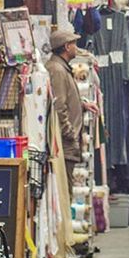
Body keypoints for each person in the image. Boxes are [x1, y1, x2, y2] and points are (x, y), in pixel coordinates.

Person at [45, 30, 97, 196]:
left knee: (66, 189)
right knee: (64, 191)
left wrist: (81, 105)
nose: (76, 47)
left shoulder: (60, 68)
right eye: (74, 43)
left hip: (66, 142)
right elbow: (59, 106)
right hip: (64, 144)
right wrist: (70, 134)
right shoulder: (58, 70)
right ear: (67, 47)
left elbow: (63, 98)